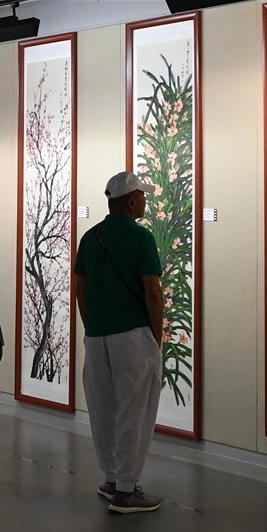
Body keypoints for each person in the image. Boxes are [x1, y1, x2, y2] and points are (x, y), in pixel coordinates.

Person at [74, 171, 165, 514]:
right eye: (143, 196)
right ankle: (127, 490)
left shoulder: (90, 238)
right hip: (133, 335)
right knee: (134, 411)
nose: (145, 202)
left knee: (104, 409)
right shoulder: (141, 238)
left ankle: (112, 479)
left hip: (96, 336)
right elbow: (152, 292)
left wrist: (92, 325)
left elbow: (81, 289)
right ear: (131, 201)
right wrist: (155, 336)